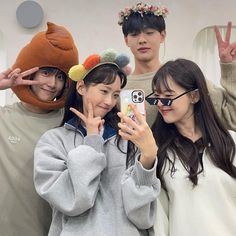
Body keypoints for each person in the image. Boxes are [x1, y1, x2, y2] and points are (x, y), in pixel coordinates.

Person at [33, 49, 159, 236]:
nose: (109, 101)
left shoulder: (127, 139)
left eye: (116, 95)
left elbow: (141, 216)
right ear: (81, 87)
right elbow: (75, 201)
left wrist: (147, 159)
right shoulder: (53, 141)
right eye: (104, 91)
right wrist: (92, 141)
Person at [0, 22, 78, 236]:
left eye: (60, 77)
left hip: (57, 229)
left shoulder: (69, 121)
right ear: (30, 72)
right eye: (45, 73)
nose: (52, 83)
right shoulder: (4, 117)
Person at [143, 58, 236, 236]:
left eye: (168, 96)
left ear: (194, 96)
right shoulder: (159, 152)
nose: (161, 103)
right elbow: (160, 219)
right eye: (157, 96)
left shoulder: (231, 143)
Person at [118, 2, 236, 129]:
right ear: (126, 40)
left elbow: (232, 117)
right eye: (134, 34)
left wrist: (228, 66)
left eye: (149, 32)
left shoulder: (181, 77)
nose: (142, 40)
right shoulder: (119, 88)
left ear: (162, 35)